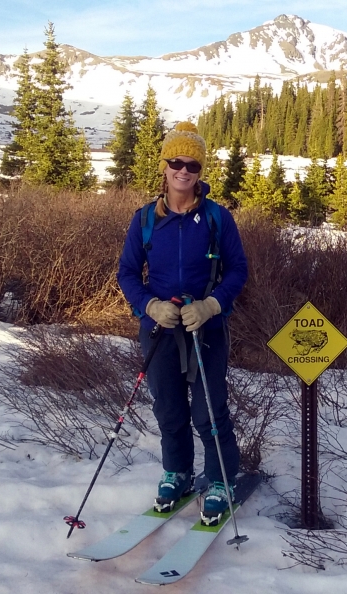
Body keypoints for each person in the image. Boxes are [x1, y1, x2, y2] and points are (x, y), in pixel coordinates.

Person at [116, 122, 248, 524]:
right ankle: (177, 472)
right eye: (176, 162)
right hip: (158, 328)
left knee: (209, 411)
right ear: (165, 166)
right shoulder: (144, 220)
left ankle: (221, 479)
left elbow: (238, 270)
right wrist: (148, 306)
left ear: (200, 171)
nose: (183, 170)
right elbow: (126, 273)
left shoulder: (216, 218)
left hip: (204, 328)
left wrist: (211, 305)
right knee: (169, 408)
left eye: (192, 164)